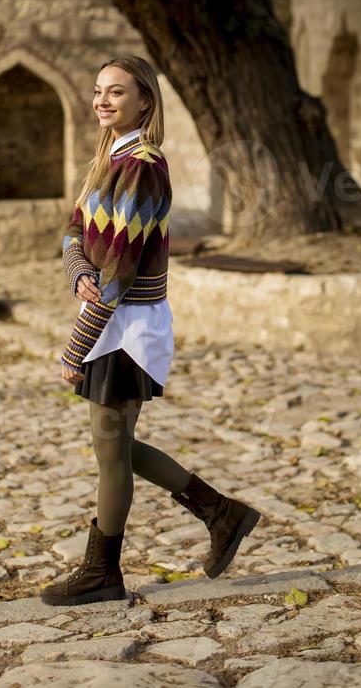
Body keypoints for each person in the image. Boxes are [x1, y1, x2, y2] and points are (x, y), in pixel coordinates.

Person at [40, 55, 261, 606]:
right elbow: (74, 228)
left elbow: (118, 275)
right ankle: (220, 512)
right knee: (113, 445)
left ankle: (101, 572)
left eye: (117, 92)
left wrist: (75, 346)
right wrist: (76, 268)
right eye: (98, 91)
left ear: (145, 101)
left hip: (126, 328)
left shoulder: (141, 165)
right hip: (111, 324)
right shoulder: (108, 158)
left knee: (111, 449)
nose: (103, 101)